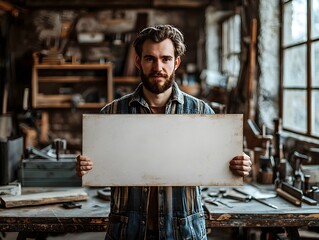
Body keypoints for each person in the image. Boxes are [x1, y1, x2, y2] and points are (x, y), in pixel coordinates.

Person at [76, 24, 252, 240]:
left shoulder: (201, 113)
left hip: (184, 233)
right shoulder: (110, 115)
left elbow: (222, 164)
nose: (158, 67)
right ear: (138, 62)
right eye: (150, 58)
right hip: (127, 233)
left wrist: (238, 164)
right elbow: (95, 169)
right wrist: (84, 166)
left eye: (166, 59)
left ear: (176, 62)